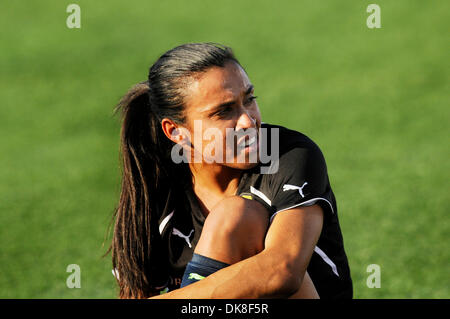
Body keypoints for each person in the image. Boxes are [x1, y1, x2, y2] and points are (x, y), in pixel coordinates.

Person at [110, 42, 353, 299]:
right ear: (175, 131)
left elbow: (282, 270)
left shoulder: (289, 154)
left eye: (249, 99)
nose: (249, 121)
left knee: (234, 217)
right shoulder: (155, 189)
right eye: (224, 111)